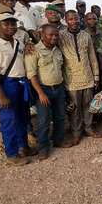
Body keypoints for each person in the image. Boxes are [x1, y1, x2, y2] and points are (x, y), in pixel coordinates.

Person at [0, 13, 35, 165]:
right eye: (6, 24)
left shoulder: (18, 42)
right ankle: (12, 154)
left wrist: (29, 46)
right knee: (8, 121)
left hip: (21, 82)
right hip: (6, 85)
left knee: (22, 117)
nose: (11, 27)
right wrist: (1, 96)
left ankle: (23, 147)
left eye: (13, 23)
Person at [24, 24, 68, 159]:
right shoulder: (33, 51)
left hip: (59, 88)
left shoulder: (58, 50)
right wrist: (40, 93)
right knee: (44, 120)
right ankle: (43, 147)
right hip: (43, 90)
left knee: (60, 116)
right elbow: (32, 75)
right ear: (42, 35)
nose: (54, 37)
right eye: (50, 35)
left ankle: (58, 140)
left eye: (56, 34)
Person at [59, 10, 101, 144]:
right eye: (71, 19)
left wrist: (96, 76)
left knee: (88, 105)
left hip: (87, 76)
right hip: (71, 79)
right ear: (66, 20)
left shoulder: (85, 35)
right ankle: (76, 132)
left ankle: (88, 128)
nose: (74, 21)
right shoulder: (60, 36)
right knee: (74, 107)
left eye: (76, 19)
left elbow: (92, 57)